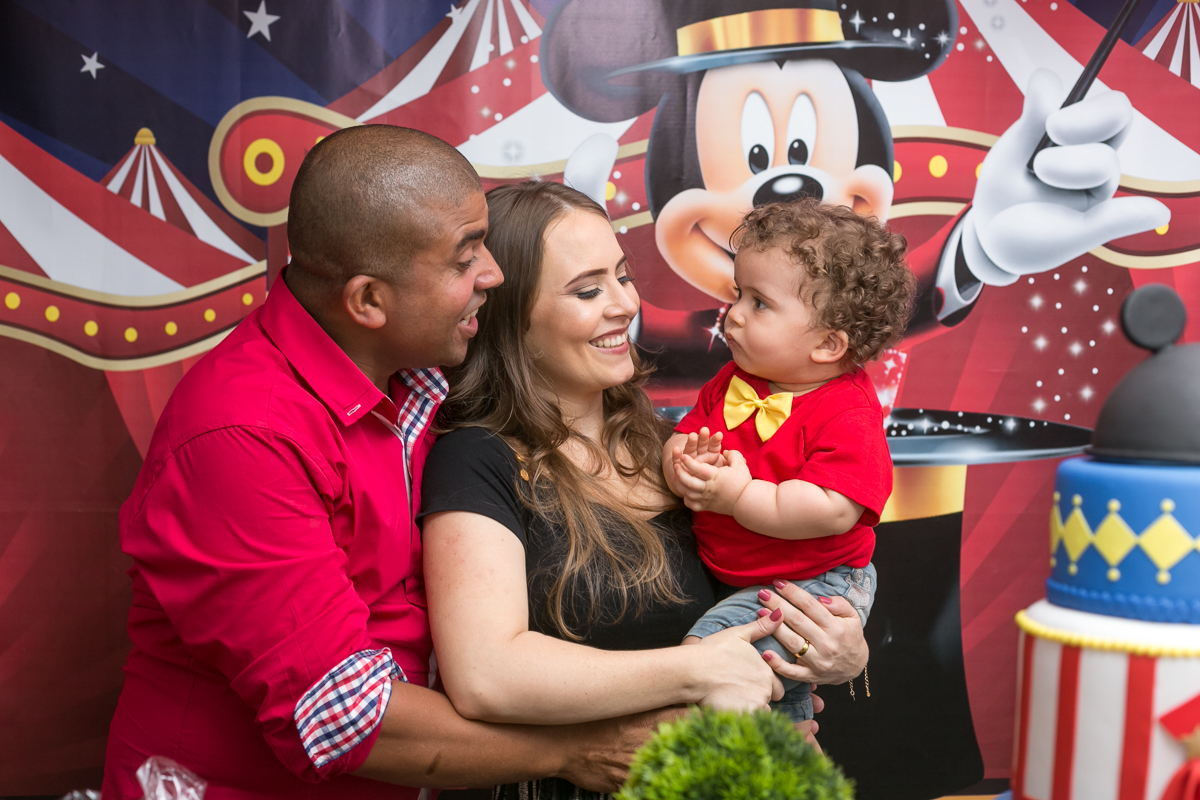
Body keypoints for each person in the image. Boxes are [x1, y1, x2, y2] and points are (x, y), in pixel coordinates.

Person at [103, 126, 677, 800]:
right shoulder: (241, 435)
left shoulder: (422, 374)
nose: (492, 274)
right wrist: (577, 752)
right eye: (465, 258)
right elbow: (345, 718)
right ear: (369, 301)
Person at [419, 181, 872, 800]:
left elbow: (786, 577)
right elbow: (485, 677)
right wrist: (698, 670)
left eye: (623, 276)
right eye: (588, 290)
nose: (625, 304)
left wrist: (842, 652)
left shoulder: (676, 447)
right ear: (511, 317)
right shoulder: (477, 459)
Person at [665, 199, 916, 723]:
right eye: (738, 294)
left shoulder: (848, 412)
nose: (734, 313)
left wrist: (738, 496)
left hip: (818, 582)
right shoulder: (734, 380)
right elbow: (688, 434)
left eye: (760, 303)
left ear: (828, 343)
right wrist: (683, 462)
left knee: (705, 659)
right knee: (778, 698)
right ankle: (792, 743)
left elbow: (832, 508)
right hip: (749, 573)